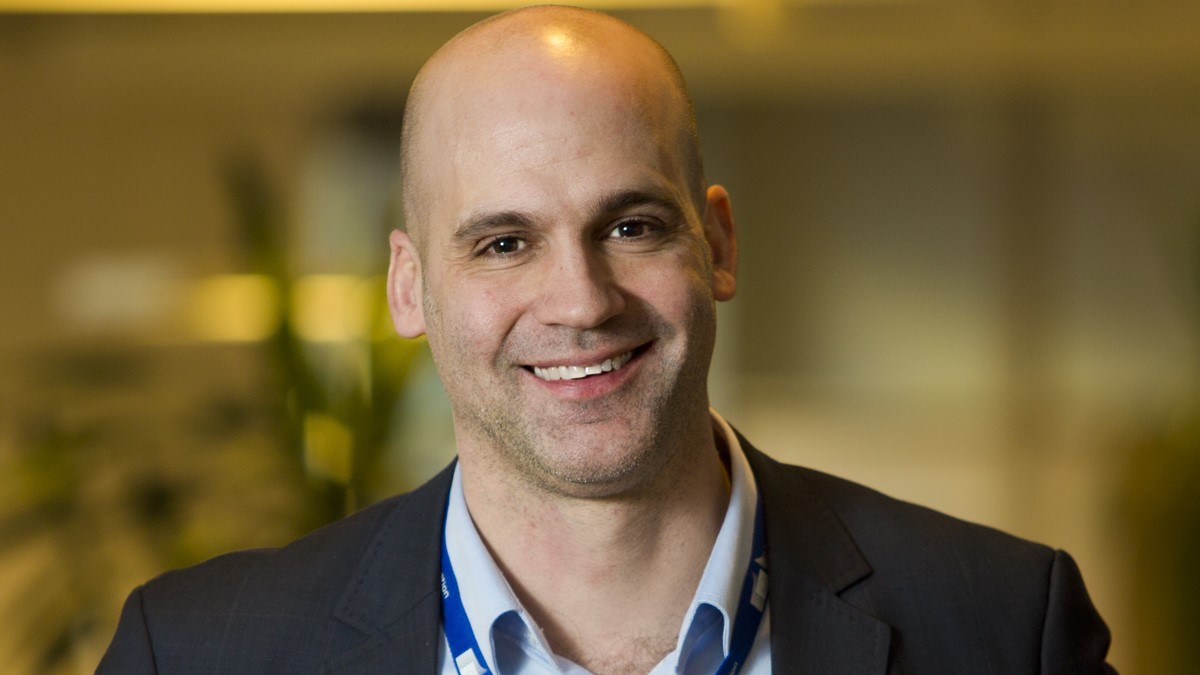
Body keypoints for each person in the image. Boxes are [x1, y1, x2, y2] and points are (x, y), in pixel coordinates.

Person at [98, 5, 1115, 673]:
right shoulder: (195, 654)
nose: (581, 301)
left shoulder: (998, 627)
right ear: (409, 287)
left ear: (718, 243)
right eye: (504, 243)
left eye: (631, 226)